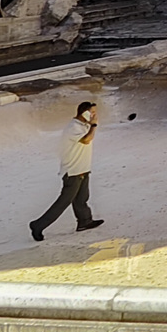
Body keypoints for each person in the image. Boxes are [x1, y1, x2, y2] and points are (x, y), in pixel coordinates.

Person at [30, 101, 106, 242]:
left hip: (82, 168)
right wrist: (94, 125)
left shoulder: (83, 125)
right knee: (63, 202)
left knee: (82, 198)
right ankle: (38, 225)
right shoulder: (74, 127)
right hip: (73, 171)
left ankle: (85, 221)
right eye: (93, 112)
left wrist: (91, 125)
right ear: (85, 112)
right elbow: (86, 140)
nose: (95, 115)